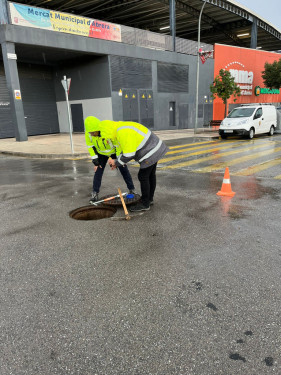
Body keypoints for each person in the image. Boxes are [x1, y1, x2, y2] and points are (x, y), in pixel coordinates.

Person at [99, 120, 168, 212]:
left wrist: (116, 162)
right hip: (156, 147)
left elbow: (129, 154)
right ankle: (148, 199)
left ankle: (145, 204)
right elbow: (126, 149)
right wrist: (119, 161)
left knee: (143, 176)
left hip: (151, 151)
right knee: (150, 175)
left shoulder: (122, 132)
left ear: (107, 130)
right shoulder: (120, 128)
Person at [84, 116, 135, 204]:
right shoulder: (89, 134)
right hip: (101, 153)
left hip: (114, 151)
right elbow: (90, 147)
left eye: (93, 132)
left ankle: (132, 189)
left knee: (123, 168)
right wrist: (95, 160)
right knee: (98, 171)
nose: (91, 134)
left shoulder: (106, 131)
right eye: (90, 132)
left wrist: (117, 159)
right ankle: (95, 193)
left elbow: (117, 145)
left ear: (97, 129)